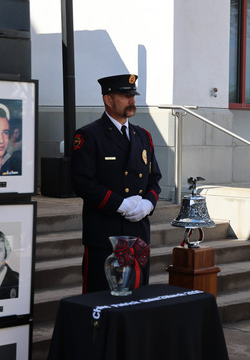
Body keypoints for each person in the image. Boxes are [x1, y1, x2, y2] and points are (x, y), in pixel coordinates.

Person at [70, 74, 162, 293]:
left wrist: (148, 204)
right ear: (108, 100)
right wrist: (120, 204)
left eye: (133, 95)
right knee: (102, 297)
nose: (132, 100)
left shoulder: (143, 136)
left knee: (137, 296)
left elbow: (154, 179)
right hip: (106, 234)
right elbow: (82, 182)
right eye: (125, 95)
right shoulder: (88, 135)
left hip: (137, 232)